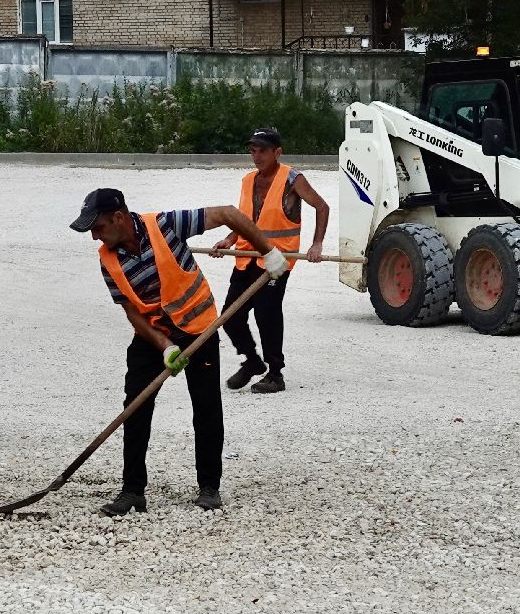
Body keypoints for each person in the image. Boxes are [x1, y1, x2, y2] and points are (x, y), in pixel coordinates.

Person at [71, 187, 287, 516]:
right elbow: (132, 312)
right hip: (154, 335)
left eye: (97, 227)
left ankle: (209, 488)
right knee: (135, 407)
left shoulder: (166, 225)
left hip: (199, 327)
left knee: (206, 408)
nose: (95, 237)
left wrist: (267, 252)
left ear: (118, 217)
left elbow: (228, 213)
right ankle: (132, 491)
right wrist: (165, 346)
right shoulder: (108, 260)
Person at [209, 127, 330, 394]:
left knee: (267, 315)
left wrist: (317, 244)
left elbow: (322, 207)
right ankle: (252, 361)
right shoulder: (248, 180)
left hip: (276, 260)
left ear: (277, 152)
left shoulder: (292, 179)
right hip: (245, 257)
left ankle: (275, 373)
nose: (257, 156)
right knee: (230, 316)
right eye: (253, 150)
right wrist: (229, 240)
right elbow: (245, 219)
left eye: (263, 150)